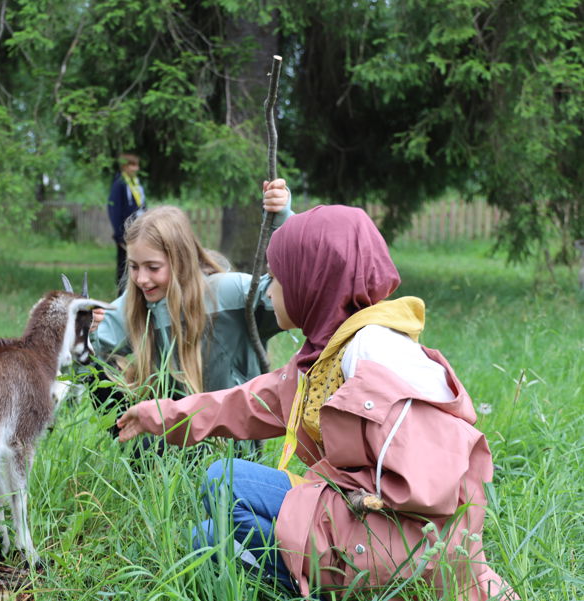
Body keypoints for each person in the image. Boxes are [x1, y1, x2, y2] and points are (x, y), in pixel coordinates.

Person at [115, 179, 516, 599]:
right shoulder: (332, 349)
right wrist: (162, 415)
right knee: (218, 492)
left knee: (210, 538)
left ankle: (325, 588)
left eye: (279, 277)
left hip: (394, 556)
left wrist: (320, 528)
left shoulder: (373, 355)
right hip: (356, 519)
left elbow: (434, 496)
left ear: (315, 281)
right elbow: (252, 403)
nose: (269, 289)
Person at [91, 181, 292, 445]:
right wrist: (84, 327)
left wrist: (283, 219)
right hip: (163, 454)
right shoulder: (135, 304)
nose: (141, 279)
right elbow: (85, 350)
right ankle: (135, 451)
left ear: (181, 260)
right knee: (88, 365)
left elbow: (289, 287)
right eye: (133, 267)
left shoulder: (228, 293)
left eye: (153, 267)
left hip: (229, 449)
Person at [107, 152, 146, 293]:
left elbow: (141, 206)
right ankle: (122, 295)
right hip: (125, 233)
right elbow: (114, 210)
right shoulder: (119, 184)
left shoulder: (136, 184)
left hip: (139, 230)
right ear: (124, 166)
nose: (136, 169)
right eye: (133, 165)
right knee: (124, 265)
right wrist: (119, 235)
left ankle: (135, 293)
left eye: (137, 165)